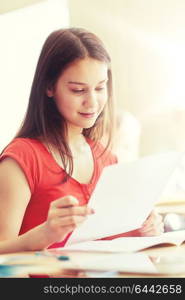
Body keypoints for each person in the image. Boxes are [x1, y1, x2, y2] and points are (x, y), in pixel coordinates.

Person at [0, 28, 164, 254]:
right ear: (49, 87)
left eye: (100, 87)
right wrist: (45, 234)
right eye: (78, 90)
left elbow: (102, 243)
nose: (92, 102)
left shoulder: (107, 158)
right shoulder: (22, 159)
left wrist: (139, 229)